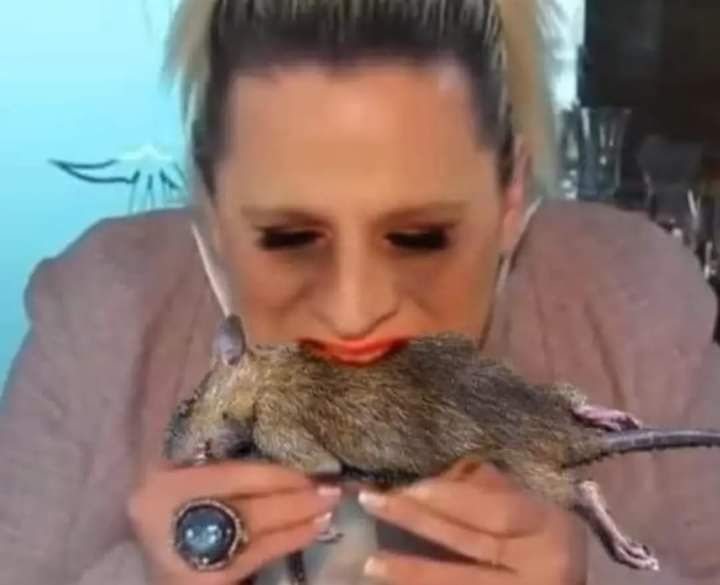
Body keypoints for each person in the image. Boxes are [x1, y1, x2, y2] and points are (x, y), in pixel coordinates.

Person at [1, 0, 719, 584]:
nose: (354, 311)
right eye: (288, 238)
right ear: (211, 209)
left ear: (510, 196)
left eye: (420, 238)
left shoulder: (631, 301)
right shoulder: (106, 309)